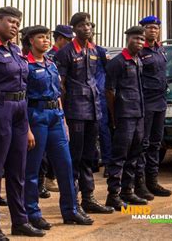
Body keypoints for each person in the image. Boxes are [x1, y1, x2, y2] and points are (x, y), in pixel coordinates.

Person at [0, 6, 44, 240]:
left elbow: (23, 86)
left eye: (17, 23)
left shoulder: (15, 50)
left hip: (19, 111)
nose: (14, 26)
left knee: (18, 170)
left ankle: (20, 221)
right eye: (10, 21)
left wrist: (26, 126)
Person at [23, 25, 94, 229]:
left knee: (66, 165)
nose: (45, 40)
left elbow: (57, 93)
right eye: (40, 37)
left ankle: (71, 210)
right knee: (33, 169)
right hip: (36, 116)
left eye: (47, 37)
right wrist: (26, 128)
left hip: (55, 116)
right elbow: (22, 100)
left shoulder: (51, 64)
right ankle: (32, 213)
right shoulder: (24, 66)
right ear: (30, 42)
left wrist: (63, 121)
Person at [54, 12, 114, 218]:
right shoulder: (66, 53)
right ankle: (74, 202)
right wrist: (61, 113)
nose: (86, 28)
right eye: (81, 25)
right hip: (75, 112)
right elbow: (60, 86)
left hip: (94, 110)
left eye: (88, 24)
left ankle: (88, 199)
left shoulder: (96, 50)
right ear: (74, 29)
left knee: (90, 158)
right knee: (75, 158)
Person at [105, 26, 148, 210]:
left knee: (135, 154)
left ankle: (127, 191)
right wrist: (114, 117)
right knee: (119, 156)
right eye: (136, 39)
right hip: (124, 116)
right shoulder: (118, 62)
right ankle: (113, 195)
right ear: (128, 39)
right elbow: (109, 91)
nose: (139, 42)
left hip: (138, 114)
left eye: (141, 39)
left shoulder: (138, 60)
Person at [135, 15, 172, 199]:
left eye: (156, 28)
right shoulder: (140, 51)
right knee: (144, 144)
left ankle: (153, 181)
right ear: (143, 30)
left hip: (160, 101)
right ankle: (139, 184)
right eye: (149, 27)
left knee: (156, 144)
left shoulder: (160, 49)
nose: (153, 30)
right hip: (146, 102)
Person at [37, 24, 74, 196]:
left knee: (62, 155)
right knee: (41, 153)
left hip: (57, 108)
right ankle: (43, 180)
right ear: (59, 39)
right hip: (39, 112)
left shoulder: (50, 61)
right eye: (67, 40)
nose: (69, 43)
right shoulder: (51, 56)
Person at [91, 23, 112, 178]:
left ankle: (108, 162)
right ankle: (92, 161)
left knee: (103, 129)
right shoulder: (74, 51)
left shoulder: (100, 51)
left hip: (100, 96)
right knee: (88, 131)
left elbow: (108, 72)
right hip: (84, 98)